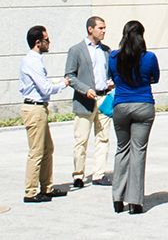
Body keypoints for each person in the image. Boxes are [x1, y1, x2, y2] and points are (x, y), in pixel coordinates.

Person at [108, 20, 160, 215]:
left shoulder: (113, 57)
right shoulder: (149, 57)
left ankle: (117, 198)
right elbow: (155, 77)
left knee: (122, 149)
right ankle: (135, 202)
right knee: (138, 151)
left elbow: (112, 77)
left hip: (120, 105)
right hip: (144, 105)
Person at [19, 25, 70, 204]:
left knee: (48, 148)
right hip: (34, 109)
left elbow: (44, 86)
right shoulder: (32, 61)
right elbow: (45, 87)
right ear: (38, 42)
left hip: (39, 107)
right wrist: (63, 84)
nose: (49, 43)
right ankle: (31, 191)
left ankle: (46, 187)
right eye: (47, 40)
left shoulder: (36, 60)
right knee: (36, 151)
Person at [64, 15, 114, 188]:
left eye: (105, 27)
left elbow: (110, 73)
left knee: (103, 138)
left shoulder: (107, 51)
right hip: (85, 100)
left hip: (103, 98)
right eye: (101, 28)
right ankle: (78, 175)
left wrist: (111, 82)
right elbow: (70, 76)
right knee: (81, 140)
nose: (104, 31)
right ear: (90, 29)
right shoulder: (76, 50)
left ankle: (99, 174)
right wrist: (85, 90)